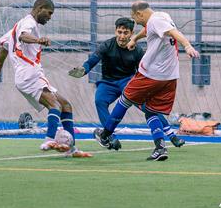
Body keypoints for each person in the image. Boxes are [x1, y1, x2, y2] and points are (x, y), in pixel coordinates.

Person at [0, 0, 92, 157]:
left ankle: (71, 149)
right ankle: (49, 139)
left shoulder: (19, 24)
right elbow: (23, 36)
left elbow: (4, 48)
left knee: (66, 105)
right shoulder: (28, 23)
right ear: (40, 8)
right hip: (28, 75)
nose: (50, 17)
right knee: (55, 105)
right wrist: (38, 40)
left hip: (33, 74)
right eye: (49, 13)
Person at [96, 1, 199, 161]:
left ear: (140, 14)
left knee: (124, 101)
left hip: (151, 74)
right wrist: (134, 39)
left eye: (135, 18)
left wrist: (187, 46)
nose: (135, 22)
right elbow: (148, 30)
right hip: (170, 77)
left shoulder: (156, 21)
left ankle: (105, 135)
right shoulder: (161, 17)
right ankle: (160, 148)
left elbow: (173, 33)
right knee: (150, 110)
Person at [68, 17, 185, 148]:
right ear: (115, 31)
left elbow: (143, 70)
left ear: (131, 33)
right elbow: (93, 60)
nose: (122, 36)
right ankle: (109, 137)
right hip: (108, 83)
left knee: (148, 107)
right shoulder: (106, 45)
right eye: (119, 32)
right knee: (99, 100)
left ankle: (172, 136)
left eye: (126, 33)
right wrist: (84, 69)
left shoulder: (137, 50)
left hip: (128, 82)